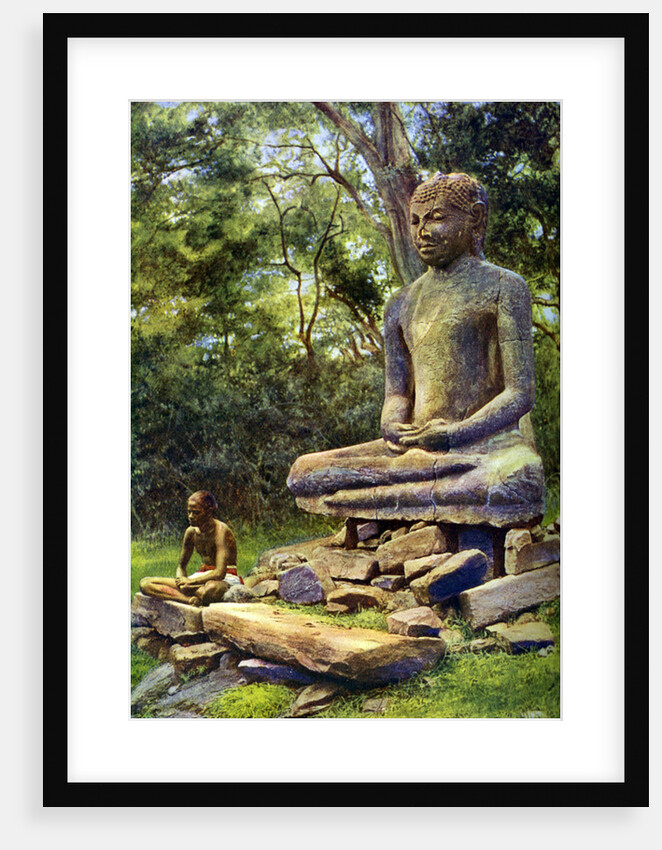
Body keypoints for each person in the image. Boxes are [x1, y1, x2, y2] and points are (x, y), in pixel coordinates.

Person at [287, 172, 544, 530]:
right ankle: (425, 486)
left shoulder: (504, 287)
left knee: (515, 479)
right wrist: (392, 423)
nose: (422, 231)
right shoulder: (401, 302)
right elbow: (397, 391)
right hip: (411, 450)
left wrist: (456, 435)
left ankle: (377, 497)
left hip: (486, 447)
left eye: (436, 218)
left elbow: (520, 394)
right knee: (303, 473)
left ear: (475, 217)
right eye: (414, 221)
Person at [139, 491, 240, 606]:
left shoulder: (221, 531)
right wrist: (181, 581)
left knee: (211, 590)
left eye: (196, 513)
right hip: (199, 578)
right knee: (145, 584)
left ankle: (188, 594)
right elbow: (181, 567)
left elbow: (219, 573)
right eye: (189, 512)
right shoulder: (191, 532)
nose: (191, 516)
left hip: (225, 578)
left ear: (209, 512)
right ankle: (189, 600)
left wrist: (190, 582)